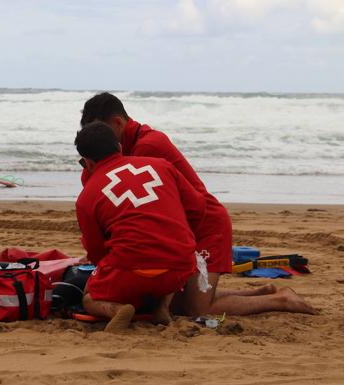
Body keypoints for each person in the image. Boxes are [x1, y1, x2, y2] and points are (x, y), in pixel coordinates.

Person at [80, 93, 316, 316]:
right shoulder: (129, 148)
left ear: (117, 123)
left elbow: (168, 207)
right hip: (184, 224)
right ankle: (260, 292)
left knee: (198, 309)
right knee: (180, 302)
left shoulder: (147, 148)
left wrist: (181, 242)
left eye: (99, 129)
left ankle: (281, 300)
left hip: (205, 224)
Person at [75, 122, 206, 331]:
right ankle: (162, 306)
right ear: (119, 147)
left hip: (130, 272)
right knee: (173, 252)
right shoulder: (162, 166)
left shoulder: (86, 197)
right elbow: (198, 208)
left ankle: (117, 309)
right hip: (179, 267)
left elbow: (96, 251)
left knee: (89, 297)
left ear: (88, 163)